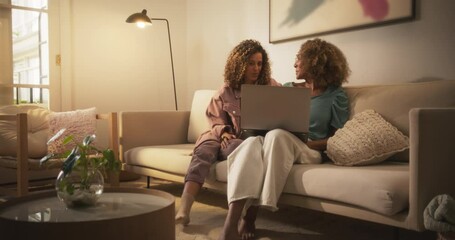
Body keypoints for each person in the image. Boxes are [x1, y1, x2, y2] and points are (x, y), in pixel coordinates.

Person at [218, 38, 351, 240]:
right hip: (275, 143)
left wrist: (310, 143)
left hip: (310, 150)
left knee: (278, 135)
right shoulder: (287, 87)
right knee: (252, 143)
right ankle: (231, 224)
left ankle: (256, 211)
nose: (294, 63)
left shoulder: (335, 95)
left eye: (299, 59)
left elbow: (339, 137)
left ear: (315, 62)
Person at [175, 39, 281, 226]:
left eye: (259, 63)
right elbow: (214, 118)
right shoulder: (226, 90)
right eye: (250, 63)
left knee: (240, 147)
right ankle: (184, 207)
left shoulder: (271, 86)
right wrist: (223, 132)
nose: (256, 68)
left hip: (242, 143)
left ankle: (245, 216)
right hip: (220, 137)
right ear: (239, 64)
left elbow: (285, 107)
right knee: (205, 149)